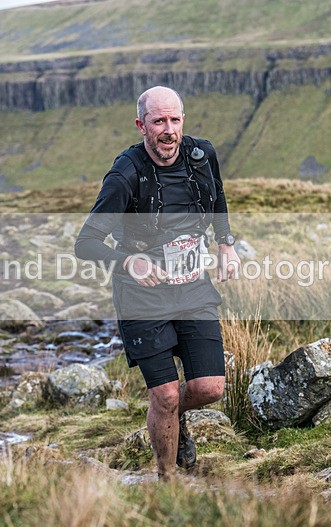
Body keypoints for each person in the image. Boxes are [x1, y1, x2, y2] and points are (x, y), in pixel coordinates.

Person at [74, 86, 240, 480]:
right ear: (141, 125)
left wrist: (225, 243)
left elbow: (217, 198)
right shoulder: (125, 175)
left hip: (192, 285)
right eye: (159, 121)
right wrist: (128, 260)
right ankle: (168, 481)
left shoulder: (203, 156)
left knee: (210, 388)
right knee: (163, 394)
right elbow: (86, 243)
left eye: (175, 120)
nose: (169, 131)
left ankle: (173, 417)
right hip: (141, 297)